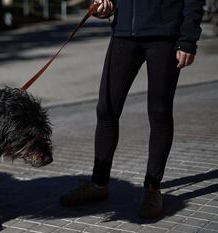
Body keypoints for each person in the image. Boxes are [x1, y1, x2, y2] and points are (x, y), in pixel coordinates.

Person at [60, 0, 204, 218]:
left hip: (165, 36)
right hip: (123, 33)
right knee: (106, 109)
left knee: (159, 113)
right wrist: (104, 4)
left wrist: (188, 39)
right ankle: (99, 185)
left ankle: (152, 188)